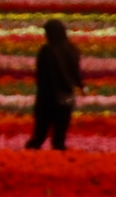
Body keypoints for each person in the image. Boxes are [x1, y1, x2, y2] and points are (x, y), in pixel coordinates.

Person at [26, 19, 84, 151]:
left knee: (40, 134)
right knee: (60, 134)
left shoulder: (47, 51)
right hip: (68, 96)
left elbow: (40, 76)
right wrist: (81, 87)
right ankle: (60, 163)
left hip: (48, 98)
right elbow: (77, 73)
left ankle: (27, 160)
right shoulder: (72, 49)